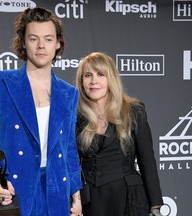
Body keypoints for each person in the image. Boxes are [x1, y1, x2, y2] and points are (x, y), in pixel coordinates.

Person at [0, 7, 83, 216]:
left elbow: (69, 147)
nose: (41, 45)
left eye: (48, 39)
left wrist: (76, 195)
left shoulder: (69, 93)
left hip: (56, 191)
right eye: (34, 38)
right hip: (13, 188)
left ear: (58, 44)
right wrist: (0, 178)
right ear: (23, 42)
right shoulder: (0, 83)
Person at [75, 52, 163, 216]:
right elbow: (69, 162)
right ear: (81, 81)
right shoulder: (75, 115)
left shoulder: (133, 111)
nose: (93, 81)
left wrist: (155, 206)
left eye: (100, 74)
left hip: (129, 198)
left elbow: (147, 161)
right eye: (88, 75)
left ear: (111, 79)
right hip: (90, 201)